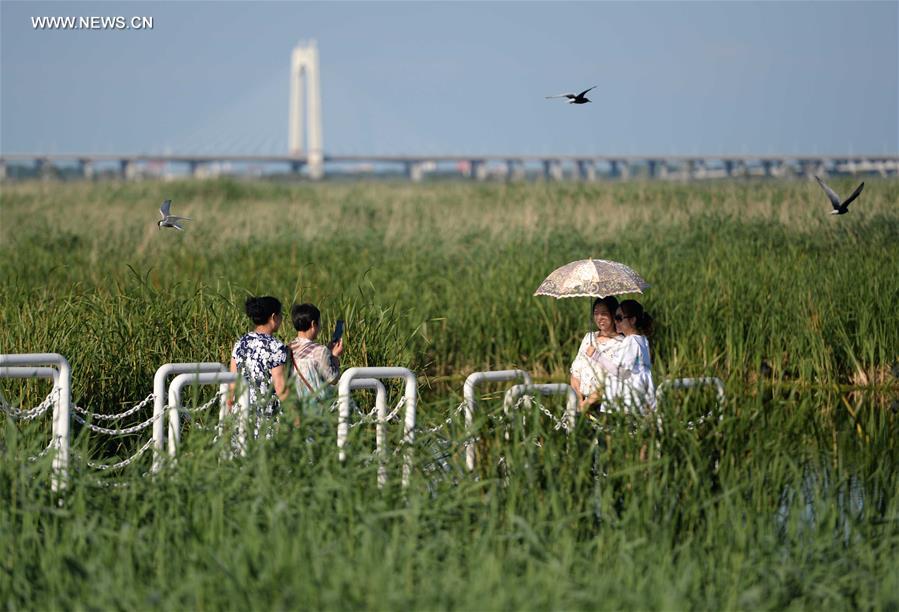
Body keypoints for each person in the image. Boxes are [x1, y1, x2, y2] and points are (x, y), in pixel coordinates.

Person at [228, 296, 290, 439]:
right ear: (274, 317)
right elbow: (280, 386)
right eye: (281, 315)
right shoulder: (276, 346)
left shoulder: (240, 343)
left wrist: (228, 411)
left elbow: (232, 382)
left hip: (241, 412)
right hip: (265, 415)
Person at [588, 299, 656, 414]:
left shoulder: (631, 341)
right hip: (636, 402)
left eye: (619, 318)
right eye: (615, 318)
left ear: (632, 320)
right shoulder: (643, 340)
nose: (615, 322)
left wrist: (596, 355)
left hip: (625, 405)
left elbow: (621, 372)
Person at [570, 296, 624, 410]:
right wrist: (579, 399)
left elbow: (613, 380)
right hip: (581, 402)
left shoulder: (622, 343)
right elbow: (576, 372)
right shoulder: (589, 338)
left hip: (606, 405)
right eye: (596, 313)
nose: (600, 318)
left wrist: (589, 402)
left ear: (614, 314)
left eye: (604, 313)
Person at [287, 303, 345, 406]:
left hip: (295, 407)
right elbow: (333, 378)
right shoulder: (320, 351)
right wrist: (335, 356)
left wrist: (328, 351)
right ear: (314, 324)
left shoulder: (288, 348)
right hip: (315, 409)